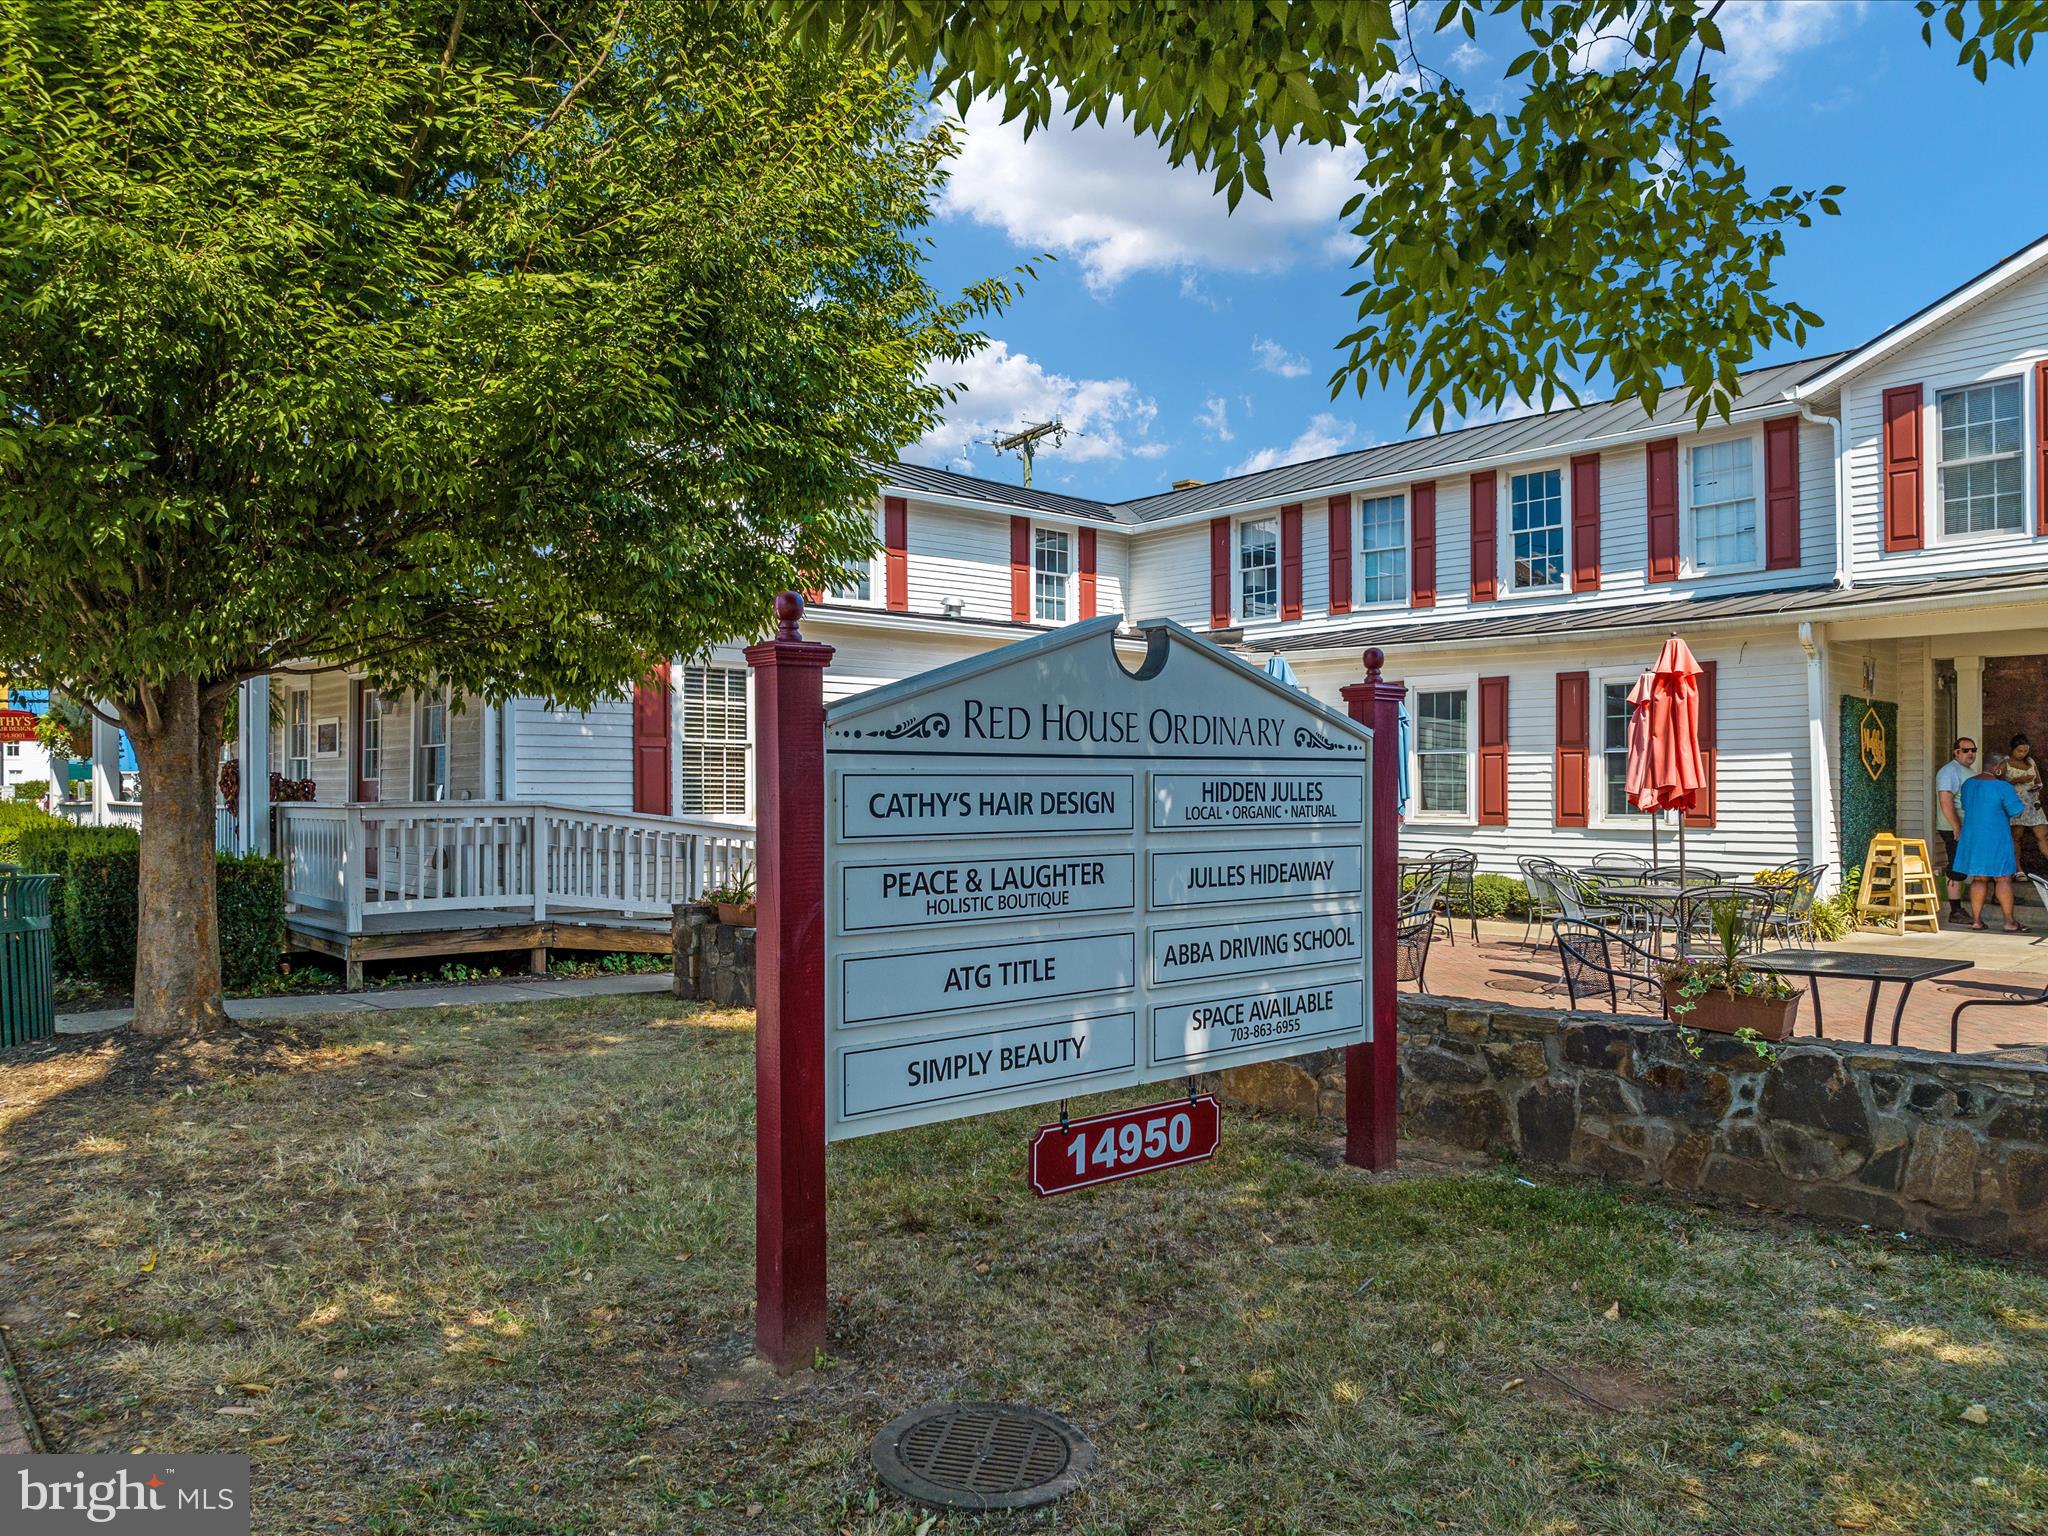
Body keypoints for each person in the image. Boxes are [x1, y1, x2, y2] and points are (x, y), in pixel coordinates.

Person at [1956, 752, 2028, 932]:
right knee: (2002, 878)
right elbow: (2016, 811)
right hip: (1996, 837)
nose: (2006, 771)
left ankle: (1977, 921)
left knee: (1979, 879)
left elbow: (1965, 806)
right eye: (2004, 767)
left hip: (1972, 837)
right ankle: (2009, 922)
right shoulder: (2002, 786)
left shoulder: (1968, 784)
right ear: (1996, 768)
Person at [1936, 735, 1976, 922]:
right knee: (1956, 866)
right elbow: (1945, 801)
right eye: (1966, 750)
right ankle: (1955, 910)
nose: (1970, 753)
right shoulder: (1949, 771)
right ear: (1956, 752)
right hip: (1954, 828)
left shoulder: (1968, 771)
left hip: (1969, 827)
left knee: (1967, 864)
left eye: (1973, 750)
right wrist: (1956, 826)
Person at [2002, 733, 2048, 866]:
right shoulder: (2005, 763)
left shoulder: (2030, 761)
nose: (2022, 754)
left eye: (2025, 751)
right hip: (2016, 804)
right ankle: (2018, 868)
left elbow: (2039, 782)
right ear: (2012, 749)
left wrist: (2036, 786)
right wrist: (2018, 780)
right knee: (2016, 837)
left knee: (2042, 835)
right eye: (2019, 751)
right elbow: (1999, 785)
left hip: (2032, 804)